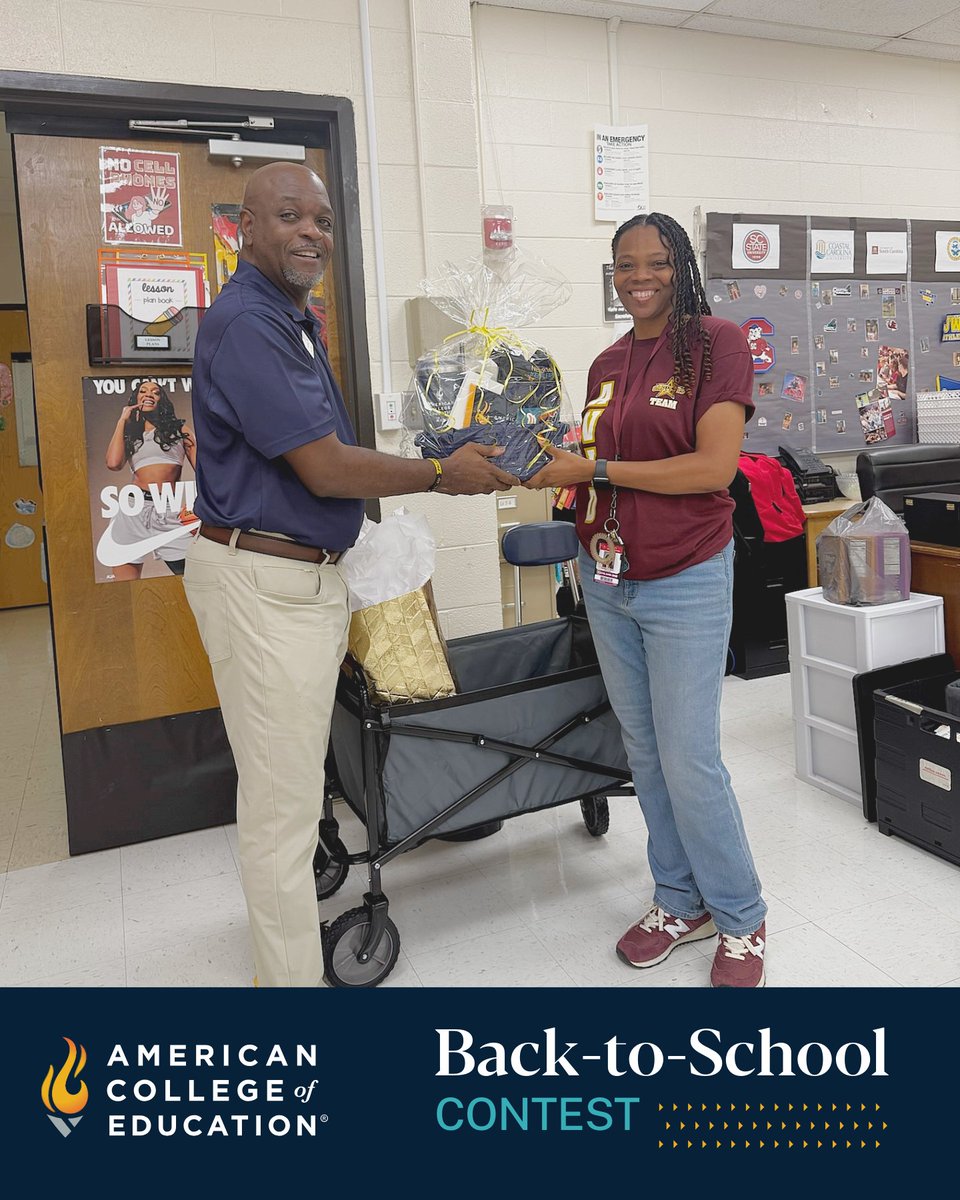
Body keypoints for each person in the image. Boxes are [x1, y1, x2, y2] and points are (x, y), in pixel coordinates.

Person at [183, 161, 516, 988]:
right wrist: (441, 475)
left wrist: (440, 447)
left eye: (323, 221)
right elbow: (326, 468)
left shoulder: (292, 320)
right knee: (282, 812)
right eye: (289, 216)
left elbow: (320, 457)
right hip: (263, 586)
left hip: (297, 581)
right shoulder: (250, 324)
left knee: (294, 796)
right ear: (246, 229)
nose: (311, 233)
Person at [524, 212, 767, 988]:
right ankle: (679, 900)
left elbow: (712, 469)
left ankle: (741, 916)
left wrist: (592, 472)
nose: (639, 277)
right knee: (646, 751)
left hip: (686, 575)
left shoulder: (715, 345)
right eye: (625, 264)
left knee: (690, 757)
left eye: (656, 262)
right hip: (607, 577)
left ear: (681, 265)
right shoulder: (605, 363)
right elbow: (591, 461)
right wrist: (537, 456)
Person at [103, 378, 197, 580]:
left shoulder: (180, 431)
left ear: (161, 400)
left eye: (155, 392)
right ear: (136, 399)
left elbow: (203, 471)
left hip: (167, 508)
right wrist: (122, 421)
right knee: (126, 586)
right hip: (132, 508)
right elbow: (113, 463)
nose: (149, 394)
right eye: (143, 391)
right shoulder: (131, 434)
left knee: (193, 579)